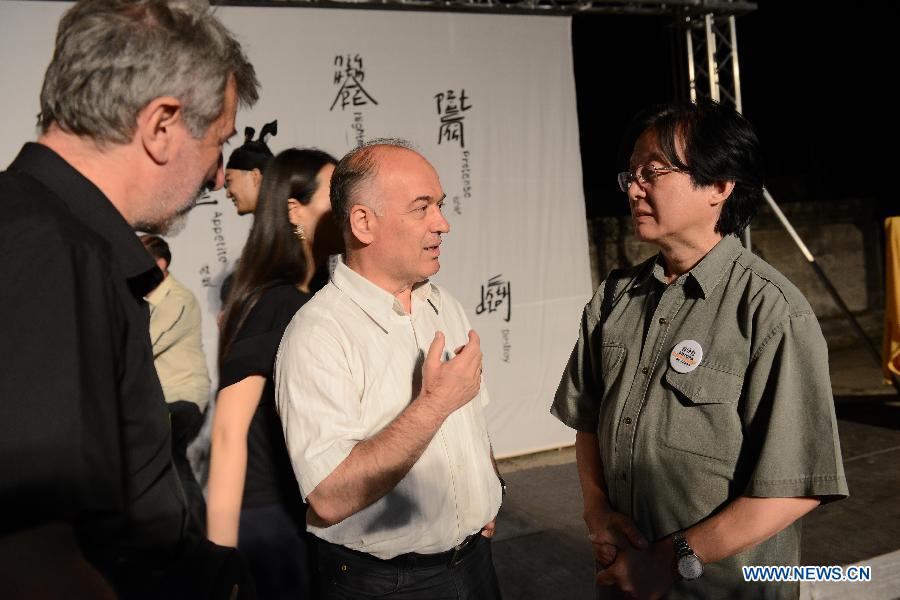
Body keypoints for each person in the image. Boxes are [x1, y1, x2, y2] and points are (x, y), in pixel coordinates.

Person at [0, 0, 260, 597]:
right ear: (162, 125)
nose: (219, 177)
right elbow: (31, 561)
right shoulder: (47, 250)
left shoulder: (49, 234)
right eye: (217, 143)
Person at [551, 99, 848, 599]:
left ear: (718, 186)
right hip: (625, 582)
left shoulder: (770, 311)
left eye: (653, 172)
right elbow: (587, 421)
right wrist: (597, 511)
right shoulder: (614, 298)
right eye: (631, 175)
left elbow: (798, 485)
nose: (635, 188)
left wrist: (670, 561)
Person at [275, 140, 504, 600]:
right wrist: (436, 403)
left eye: (440, 205)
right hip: (384, 584)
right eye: (422, 209)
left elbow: (474, 421)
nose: (443, 223)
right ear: (363, 222)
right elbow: (329, 496)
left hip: (474, 563)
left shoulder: (443, 305)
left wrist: (485, 487)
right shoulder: (318, 334)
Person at [207, 148, 337, 599]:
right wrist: (220, 563)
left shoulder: (313, 299)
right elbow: (228, 433)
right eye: (335, 195)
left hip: (301, 515)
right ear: (293, 209)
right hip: (269, 526)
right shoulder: (274, 301)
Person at [140, 233, 211, 531]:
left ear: (160, 264)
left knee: (169, 456)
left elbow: (143, 344)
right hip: (160, 401)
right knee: (166, 459)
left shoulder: (177, 300)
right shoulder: (144, 300)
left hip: (184, 399)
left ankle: (201, 532)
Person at [225, 121, 277, 216]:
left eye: (229, 181)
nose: (227, 194)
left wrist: (301, 226)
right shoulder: (267, 224)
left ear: (255, 176)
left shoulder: (295, 221)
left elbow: (301, 230)